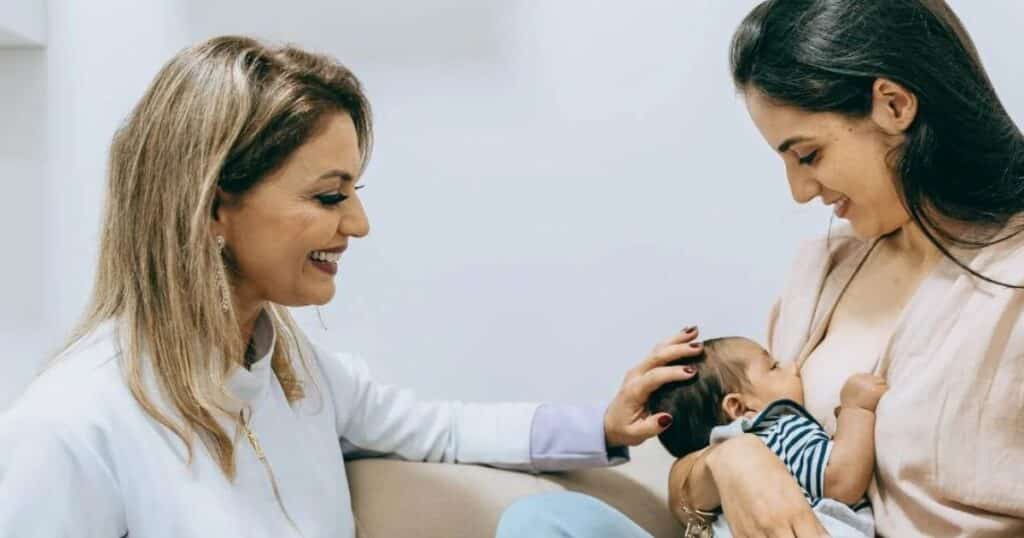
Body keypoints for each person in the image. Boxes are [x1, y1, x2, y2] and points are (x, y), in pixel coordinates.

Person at [0, 36, 701, 537]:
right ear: (214, 206)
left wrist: (602, 427)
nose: (359, 224)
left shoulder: (293, 372)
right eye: (330, 196)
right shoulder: (73, 427)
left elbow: (440, 429)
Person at [498, 1, 1024, 536]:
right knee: (540, 519)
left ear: (893, 104)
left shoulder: (1011, 284)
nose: (799, 192)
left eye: (809, 155)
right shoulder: (822, 271)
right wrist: (729, 463)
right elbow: (691, 484)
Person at [647, 337, 884, 536]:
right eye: (774, 366)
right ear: (739, 408)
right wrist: (856, 410)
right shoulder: (776, 429)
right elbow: (842, 481)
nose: (793, 366)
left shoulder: (718, 487)